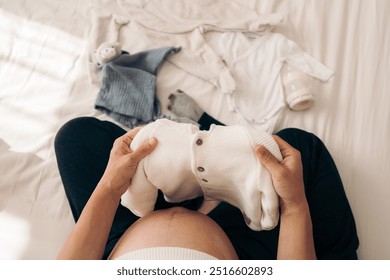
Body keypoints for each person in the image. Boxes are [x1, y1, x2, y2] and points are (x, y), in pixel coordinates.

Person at [54, 116, 359, 260]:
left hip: (128, 235)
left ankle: (184, 183)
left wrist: (110, 188)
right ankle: (196, 173)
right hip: (238, 250)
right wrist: (293, 207)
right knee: (299, 147)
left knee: (76, 137)